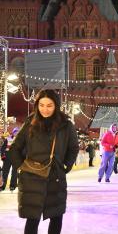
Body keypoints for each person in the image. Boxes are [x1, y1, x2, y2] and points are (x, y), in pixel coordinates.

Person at [9, 89, 79, 234]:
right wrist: (20, 167)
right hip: (32, 179)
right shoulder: (30, 122)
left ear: (56, 105)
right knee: (32, 219)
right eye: (41, 105)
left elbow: (73, 148)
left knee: (56, 217)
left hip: (56, 178)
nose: (45, 109)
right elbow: (15, 147)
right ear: (37, 105)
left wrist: (66, 165)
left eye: (49, 105)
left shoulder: (66, 125)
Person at [1, 127, 19, 192]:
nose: (16, 133)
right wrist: (2, 156)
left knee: (14, 173)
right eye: (15, 132)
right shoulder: (8, 139)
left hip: (15, 158)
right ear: (13, 133)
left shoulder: (19, 140)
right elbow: (2, 148)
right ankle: (2, 186)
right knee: (5, 172)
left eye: (17, 132)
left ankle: (12, 186)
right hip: (7, 158)